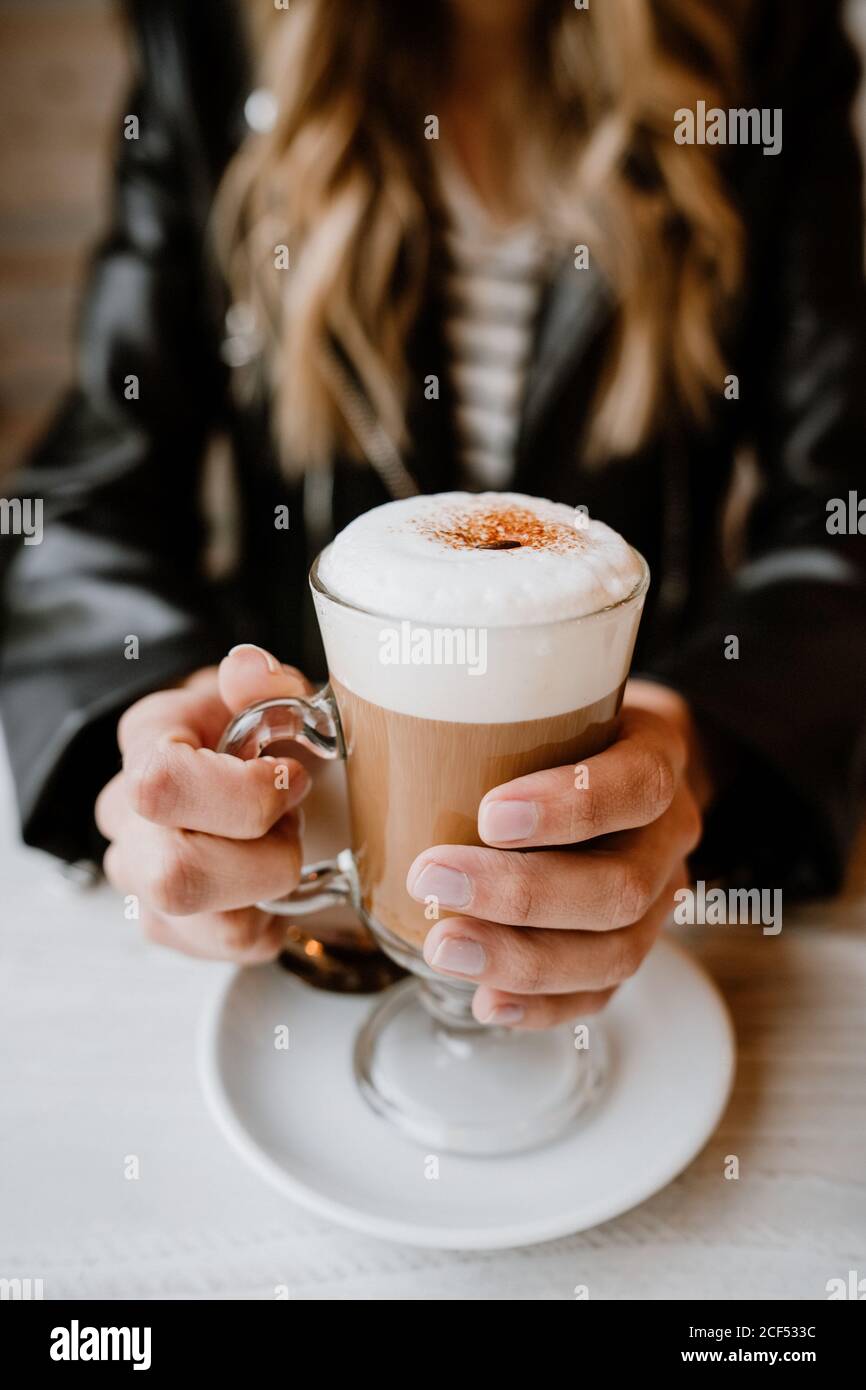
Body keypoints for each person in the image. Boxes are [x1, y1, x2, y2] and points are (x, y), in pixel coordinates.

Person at [1, 0, 865, 1030]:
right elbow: (87, 496)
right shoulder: (209, 35)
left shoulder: (761, 41)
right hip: (313, 919)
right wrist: (153, 721)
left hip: (652, 879)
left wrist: (697, 741)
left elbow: (841, 508)